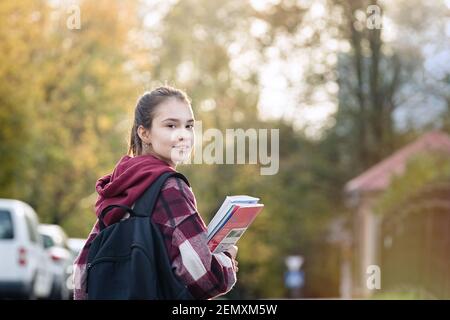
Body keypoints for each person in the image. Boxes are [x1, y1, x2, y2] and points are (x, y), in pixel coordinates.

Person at [73, 86, 238, 300]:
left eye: (189, 126)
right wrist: (227, 258)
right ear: (144, 133)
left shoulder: (119, 187)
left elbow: (81, 272)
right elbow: (206, 276)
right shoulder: (169, 187)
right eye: (171, 125)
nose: (183, 135)